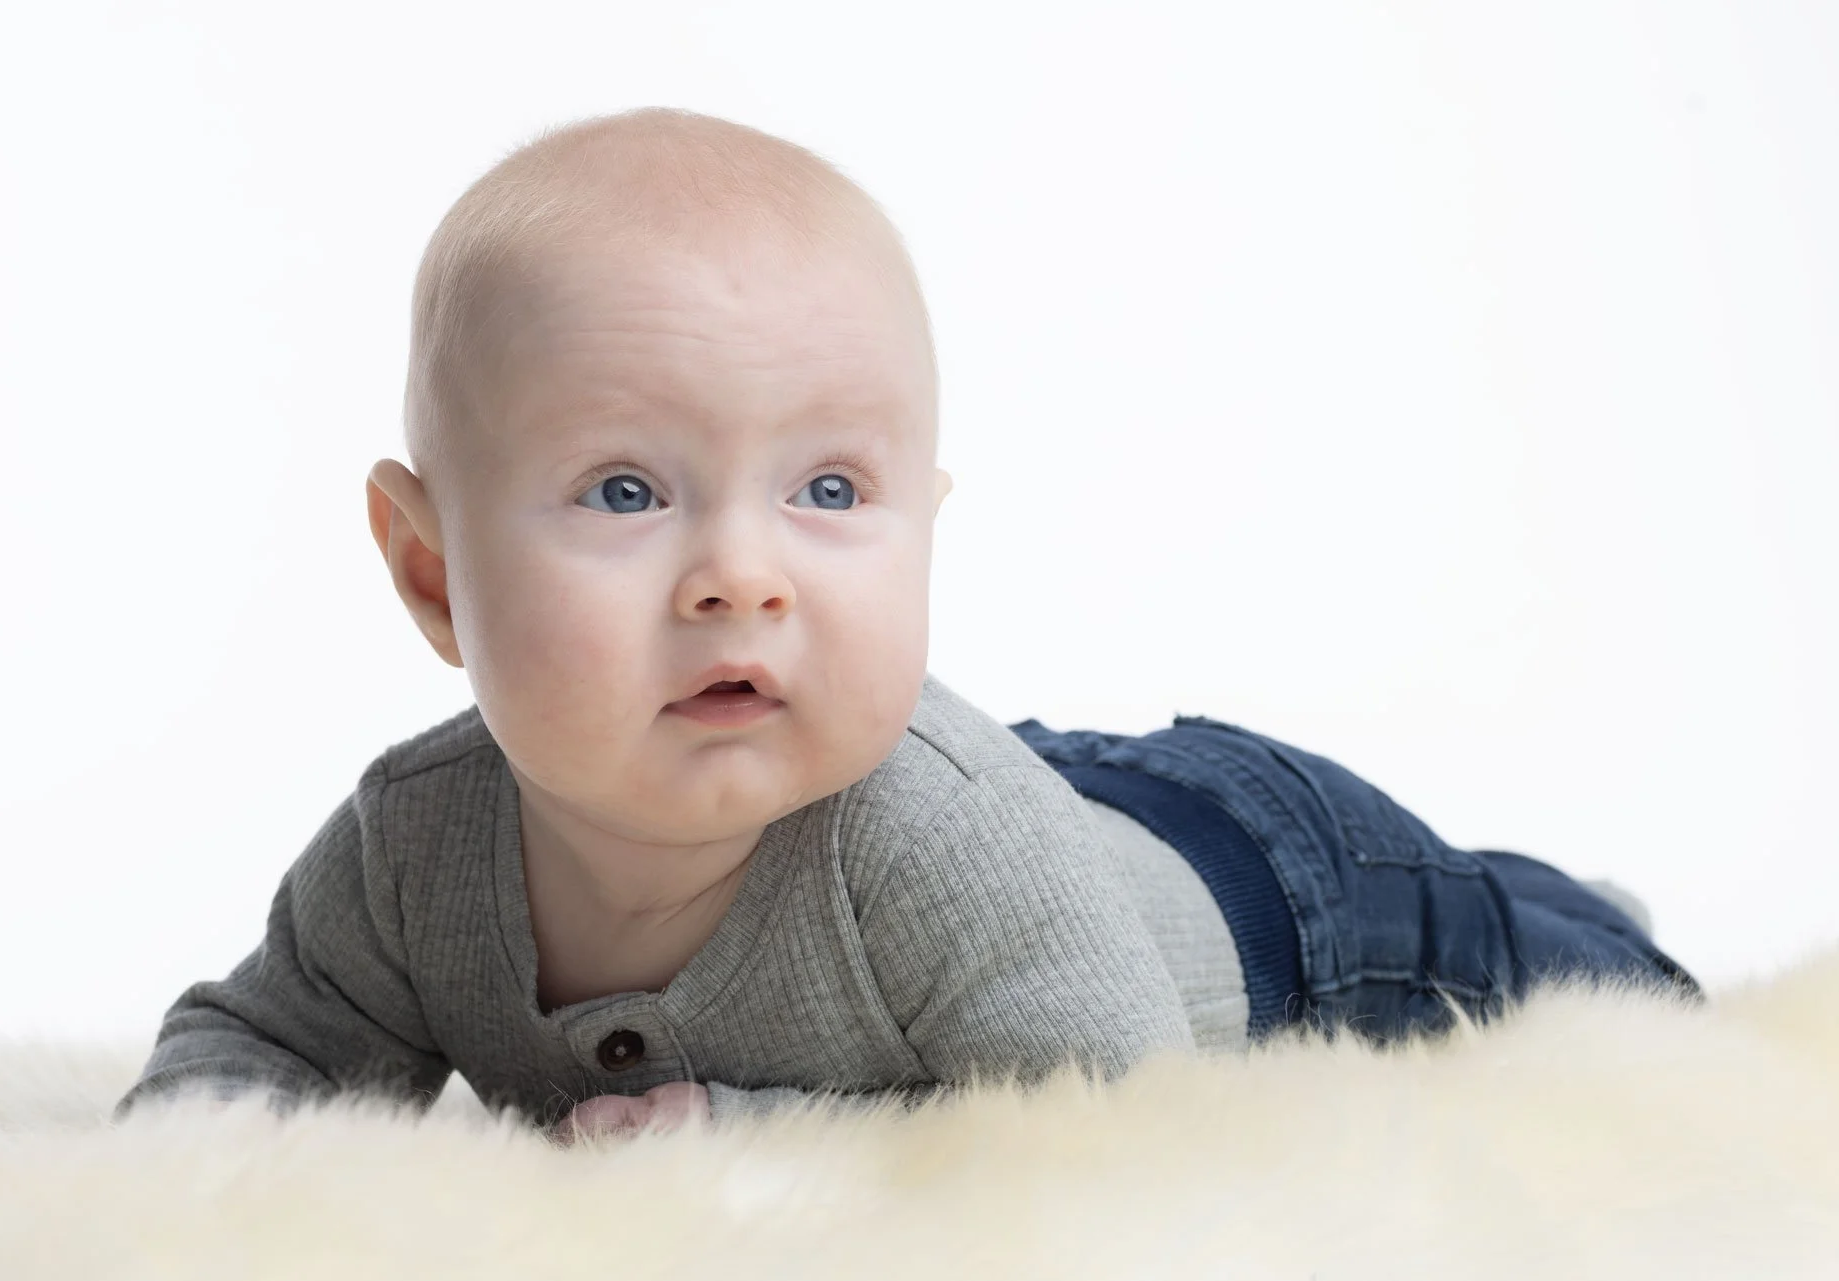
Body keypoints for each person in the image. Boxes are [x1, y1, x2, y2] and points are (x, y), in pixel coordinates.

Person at [111, 108, 1701, 1145]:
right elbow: (263, 1045)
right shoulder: (413, 850)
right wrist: (181, 1172)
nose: (742, 577)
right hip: (1039, 808)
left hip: (1270, 880)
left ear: (923, 515)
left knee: (1536, 964)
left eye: (825, 488)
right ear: (432, 573)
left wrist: (756, 1131)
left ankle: (1580, 907)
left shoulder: (929, 849)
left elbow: (1108, 1128)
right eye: (621, 493)